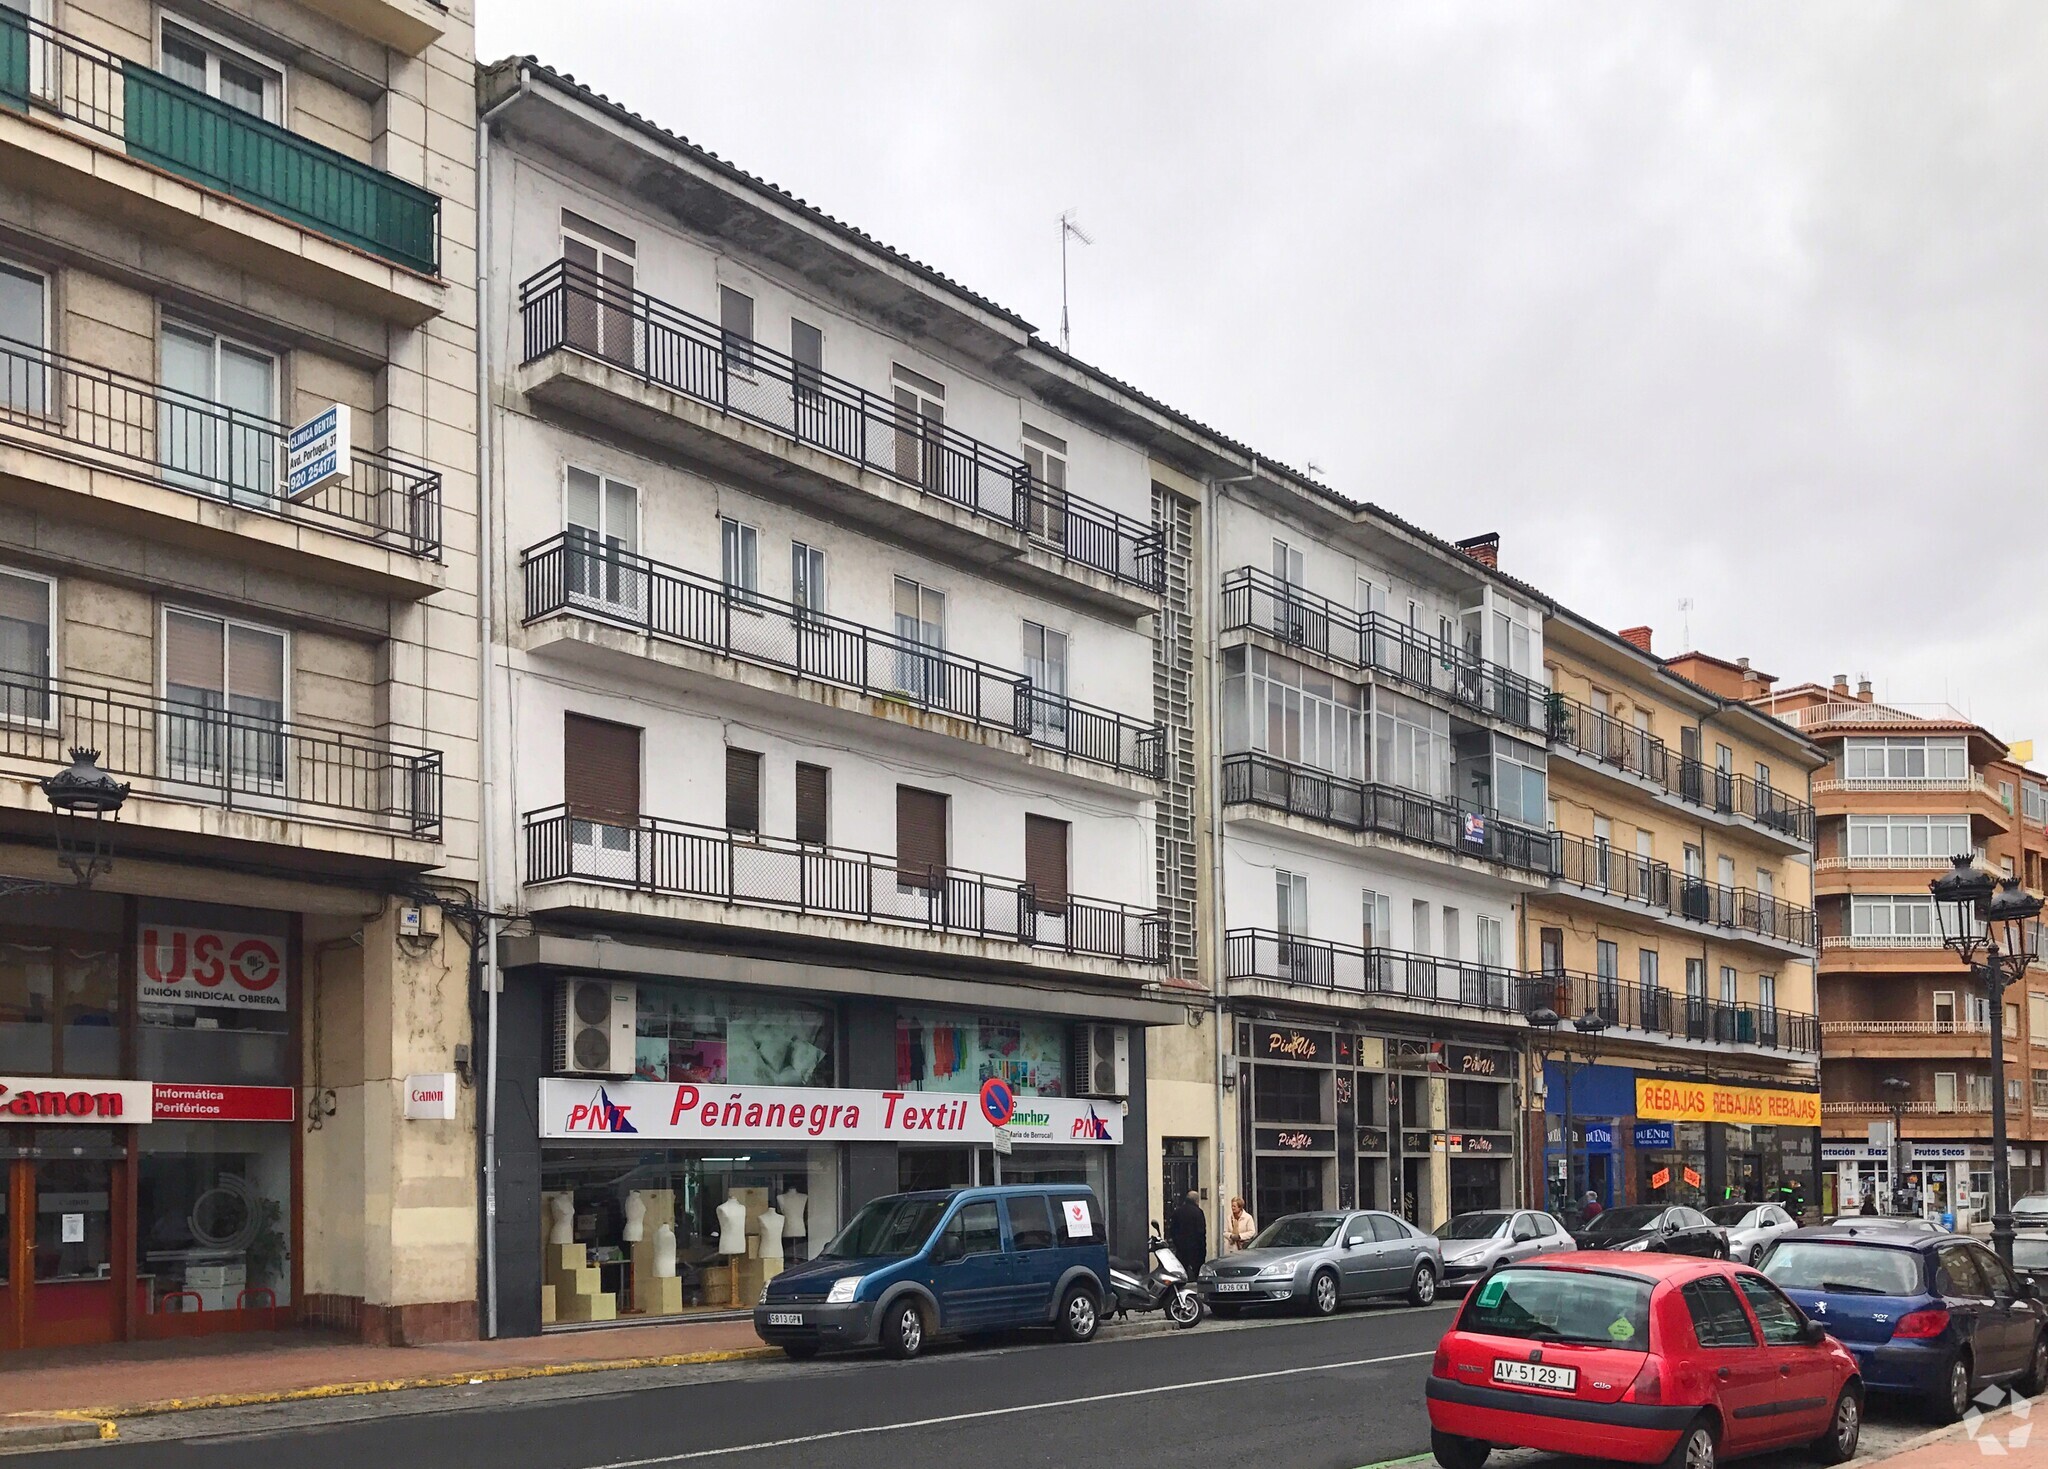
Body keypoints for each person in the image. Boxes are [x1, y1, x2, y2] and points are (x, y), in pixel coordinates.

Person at [1169, 1189, 1208, 1274]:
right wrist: (1203, 1249)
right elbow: (1201, 1232)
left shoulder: (1178, 1211)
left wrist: (1177, 1243)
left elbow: (1172, 1230)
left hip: (1181, 1247)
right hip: (1195, 1248)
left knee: (1182, 1271)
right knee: (1196, 1272)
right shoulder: (1198, 1212)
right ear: (1196, 1201)